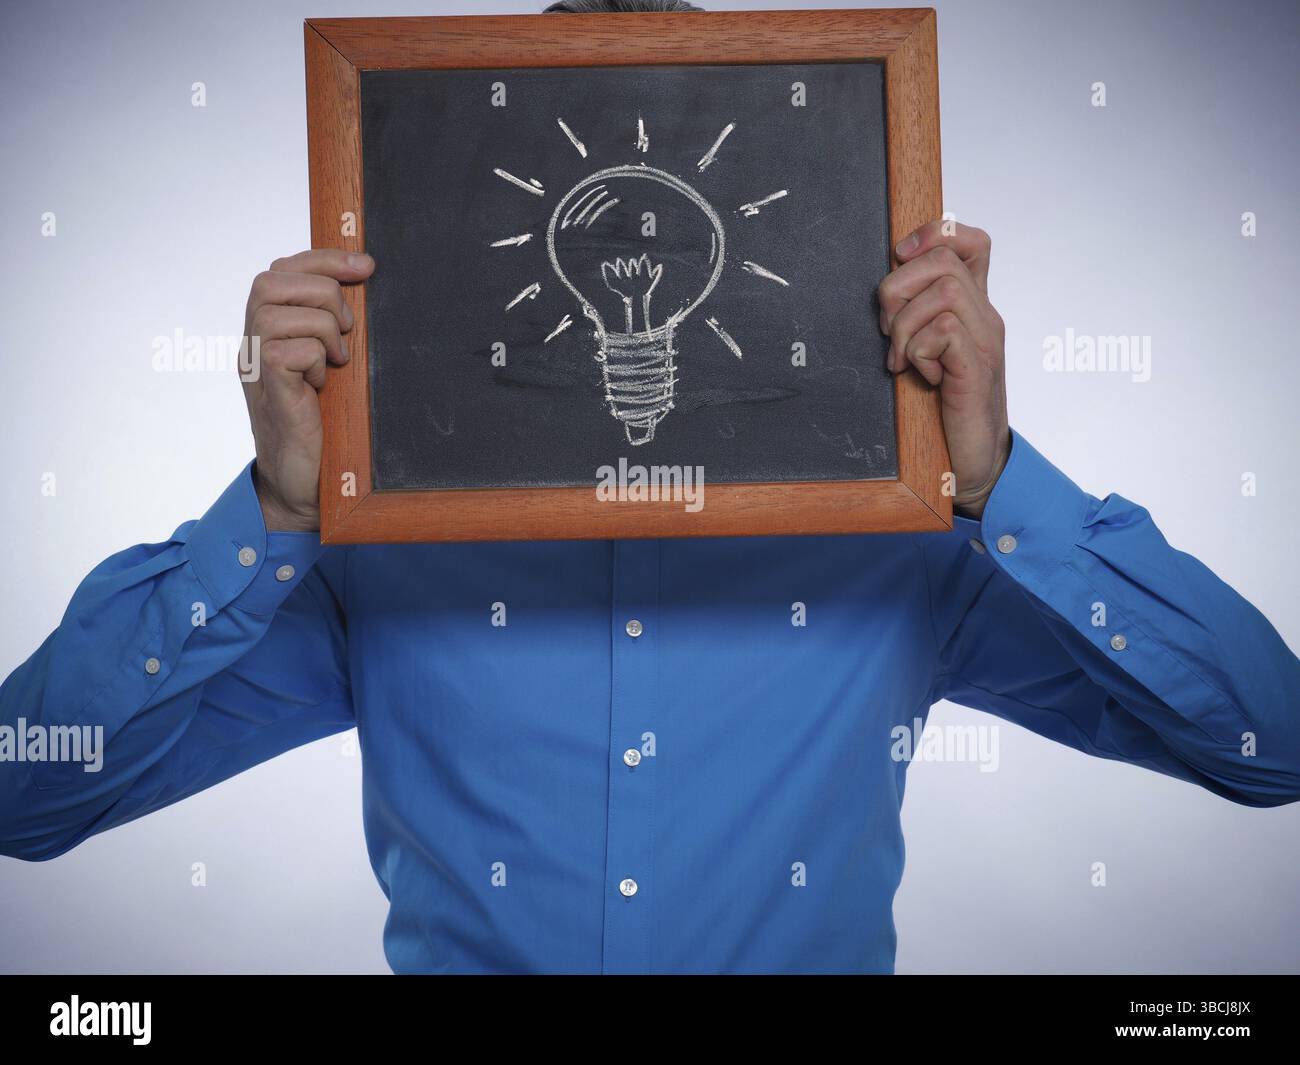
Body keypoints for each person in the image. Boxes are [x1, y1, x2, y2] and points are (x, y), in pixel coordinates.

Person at [1, 0, 1297, 975]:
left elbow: (1268, 742)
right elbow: (24, 786)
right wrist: (276, 516)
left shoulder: (899, 542)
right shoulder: (384, 548)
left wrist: (999, 477)